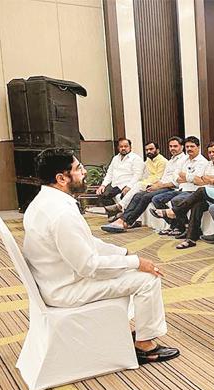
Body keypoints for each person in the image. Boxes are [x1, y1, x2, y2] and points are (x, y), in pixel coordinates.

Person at [24, 148, 179, 364]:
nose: (85, 172)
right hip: (66, 289)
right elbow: (89, 267)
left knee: (136, 271)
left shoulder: (42, 203)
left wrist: (123, 253)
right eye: (78, 169)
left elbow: (86, 243)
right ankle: (145, 345)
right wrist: (135, 262)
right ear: (61, 178)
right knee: (148, 279)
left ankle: (140, 336)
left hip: (55, 280)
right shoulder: (61, 214)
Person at [152, 143, 214, 249]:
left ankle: (174, 211)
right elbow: (212, 178)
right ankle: (191, 238)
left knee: (201, 190)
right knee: (197, 204)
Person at [101, 136, 187, 233]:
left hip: (173, 188)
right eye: (170, 146)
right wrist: (156, 185)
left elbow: (176, 181)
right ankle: (124, 221)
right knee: (138, 195)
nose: (172, 148)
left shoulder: (183, 160)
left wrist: (158, 186)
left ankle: (125, 221)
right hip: (163, 185)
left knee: (148, 197)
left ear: (182, 147)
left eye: (175, 146)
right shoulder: (171, 161)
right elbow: (163, 178)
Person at [150, 138, 214, 236]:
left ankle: (183, 226)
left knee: (176, 200)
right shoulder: (184, 160)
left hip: (192, 190)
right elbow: (176, 175)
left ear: (198, 147)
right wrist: (187, 177)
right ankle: (176, 225)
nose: (189, 149)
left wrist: (185, 176)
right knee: (156, 199)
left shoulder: (203, 162)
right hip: (181, 188)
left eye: (192, 146)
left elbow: (199, 180)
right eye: (187, 146)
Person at [104, 141, 167, 219]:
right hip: (145, 183)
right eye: (147, 150)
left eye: (151, 149)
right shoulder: (148, 160)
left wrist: (142, 183)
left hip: (158, 185)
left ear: (158, 150)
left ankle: (120, 207)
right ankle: (124, 214)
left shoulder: (162, 161)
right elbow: (144, 174)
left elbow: (158, 177)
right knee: (134, 192)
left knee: (137, 186)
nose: (149, 152)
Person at [96, 137, 144, 214]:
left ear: (130, 147)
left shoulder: (136, 158)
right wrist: (103, 185)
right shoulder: (115, 158)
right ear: (118, 148)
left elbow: (138, 175)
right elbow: (110, 173)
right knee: (101, 193)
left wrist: (129, 187)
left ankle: (115, 215)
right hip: (114, 185)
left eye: (126, 146)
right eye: (121, 146)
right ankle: (113, 215)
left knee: (107, 195)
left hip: (125, 185)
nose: (123, 148)